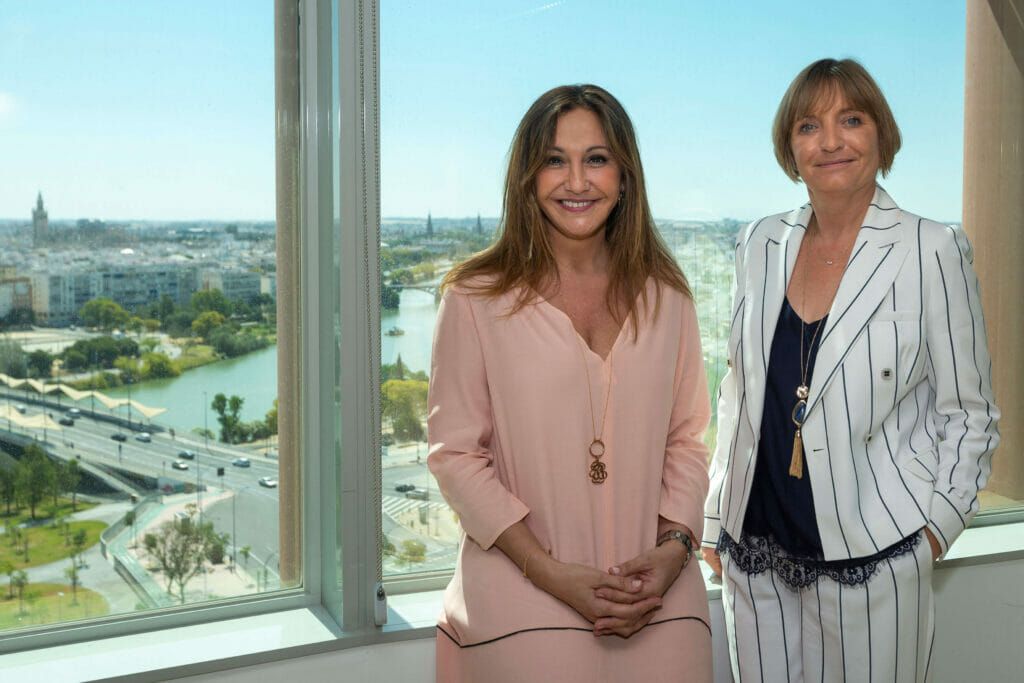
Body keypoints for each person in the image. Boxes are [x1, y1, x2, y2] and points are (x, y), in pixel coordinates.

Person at [702, 58, 1000, 682]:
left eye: (851, 119)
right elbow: (738, 391)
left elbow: (969, 413)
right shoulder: (758, 242)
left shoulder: (932, 249)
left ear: (881, 134)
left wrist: (934, 532)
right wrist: (713, 519)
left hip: (877, 556)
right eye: (809, 125)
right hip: (755, 551)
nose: (831, 141)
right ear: (790, 145)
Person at [428, 84, 713, 682]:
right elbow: (455, 454)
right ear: (527, 178)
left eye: (597, 159)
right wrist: (548, 571)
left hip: (655, 592)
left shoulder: (670, 300)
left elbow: (687, 438)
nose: (576, 181)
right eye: (555, 160)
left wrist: (673, 552)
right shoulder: (475, 299)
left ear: (625, 175)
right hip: (520, 590)